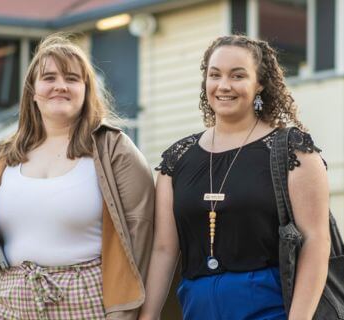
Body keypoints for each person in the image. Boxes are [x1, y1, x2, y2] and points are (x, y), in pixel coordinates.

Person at [0, 33, 155, 320]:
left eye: (72, 78)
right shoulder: (5, 154)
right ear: (32, 90)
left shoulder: (113, 148)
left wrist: (126, 314)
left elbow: (142, 236)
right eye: (49, 77)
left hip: (84, 299)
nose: (60, 86)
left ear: (86, 90)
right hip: (6, 296)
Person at [139, 35, 330, 320]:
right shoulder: (177, 159)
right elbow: (164, 249)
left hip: (271, 308)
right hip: (197, 308)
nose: (224, 85)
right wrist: (148, 316)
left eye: (238, 75)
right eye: (215, 75)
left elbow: (317, 241)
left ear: (260, 84)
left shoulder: (294, 151)